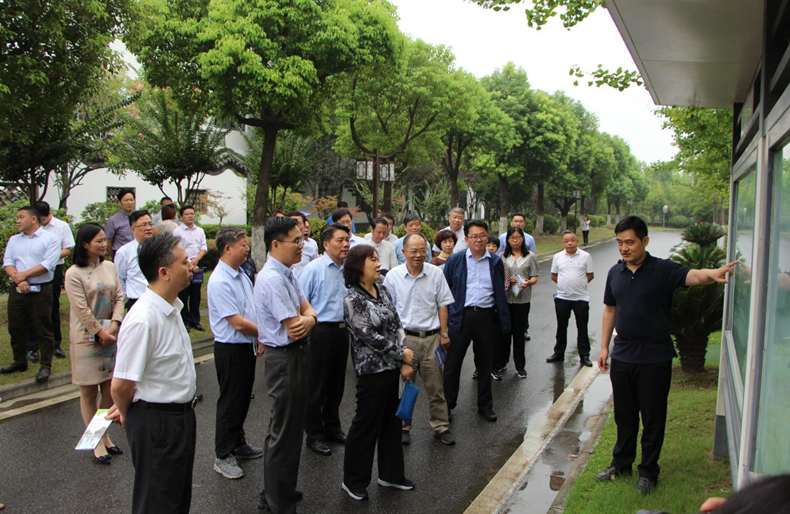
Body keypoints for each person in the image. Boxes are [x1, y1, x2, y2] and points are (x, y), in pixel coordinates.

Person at [595, 216, 736, 495]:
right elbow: (610, 309)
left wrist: (713, 273)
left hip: (654, 357)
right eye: (620, 242)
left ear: (645, 241)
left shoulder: (663, 270)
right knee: (624, 416)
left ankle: (648, 472)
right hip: (623, 355)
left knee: (653, 419)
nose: (624, 248)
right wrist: (604, 347)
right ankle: (621, 464)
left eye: (630, 242)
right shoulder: (615, 272)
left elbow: (693, 276)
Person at [107, 234, 197, 514]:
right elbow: (121, 385)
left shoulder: (172, 307)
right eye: (184, 262)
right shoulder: (143, 318)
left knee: (176, 497)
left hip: (180, 418)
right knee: (157, 501)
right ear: (164, 272)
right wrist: (129, 413)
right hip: (157, 423)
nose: (191, 266)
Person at [253, 217, 318, 514]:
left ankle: (280, 490)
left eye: (302, 240)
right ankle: (277, 502)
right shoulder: (272, 279)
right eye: (296, 241)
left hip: (295, 356)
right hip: (284, 358)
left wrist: (310, 319)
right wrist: (309, 319)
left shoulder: (287, 273)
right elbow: (295, 328)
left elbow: (307, 310)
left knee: (289, 429)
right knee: (283, 432)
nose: (301, 246)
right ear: (275, 244)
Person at [341, 244, 416, 501]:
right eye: (372, 260)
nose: (378, 263)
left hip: (393, 367)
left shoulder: (382, 289)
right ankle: (353, 480)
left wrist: (404, 357)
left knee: (392, 423)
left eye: (376, 258)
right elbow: (368, 335)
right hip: (371, 371)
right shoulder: (353, 298)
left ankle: (391, 475)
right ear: (358, 267)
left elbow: (397, 323)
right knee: (366, 424)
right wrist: (401, 354)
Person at [384, 234, 455, 446]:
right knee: (404, 386)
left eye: (422, 250)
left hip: (432, 338)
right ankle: (403, 426)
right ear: (403, 252)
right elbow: (389, 312)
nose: (418, 255)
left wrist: (444, 334)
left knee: (436, 386)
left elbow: (443, 305)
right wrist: (395, 344)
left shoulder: (435, 273)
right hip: (405, 339)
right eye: (413, 251)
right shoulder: (393, 276)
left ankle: (441, 426)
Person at [64, 223, 125, 464]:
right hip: (86, 341)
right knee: (89, 392)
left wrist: (114, 326)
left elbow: (119, 296)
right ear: (85, 244)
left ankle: (103, 434)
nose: (103, 244)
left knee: (109, 390)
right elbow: (81, 309)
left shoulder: (109, 266)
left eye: (104, 240)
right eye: (98, 240)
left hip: (110, 335)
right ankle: (95, 441)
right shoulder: (73, 273)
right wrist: (99, 332)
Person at [208, 227, 263, 480]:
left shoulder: (241, 273)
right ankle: (222, 455)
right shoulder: (220, 280)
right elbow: (238, 323)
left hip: (245, 345)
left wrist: (257, 337)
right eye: (243, 244)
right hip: (230, 348)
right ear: (228, 248)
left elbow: (251, 310)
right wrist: (264, 334)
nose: (247, 248)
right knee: (230, 401)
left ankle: (238, 443)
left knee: (241, 399)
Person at [442, 220, 510, 422]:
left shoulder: (495, 262)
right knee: (453, 364)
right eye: (474, 236)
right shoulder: (455, 260)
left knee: (485, 364)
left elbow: (500, 291)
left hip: (486, 317)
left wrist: (503, 321)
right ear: (466, 239)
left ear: (487, 237)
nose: (479, 240)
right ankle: (447, 405)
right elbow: (445, 290)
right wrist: (444, 326)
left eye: (482, 235)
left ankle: (485, 406)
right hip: (460, 317)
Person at [298, 223, 351, 457]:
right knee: (316, 385)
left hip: (342, 331)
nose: (346, 244)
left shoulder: (349, 269)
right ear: (326, 244)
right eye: (340, 240)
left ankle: (333, 428)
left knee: (336, 385)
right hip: (320, 332)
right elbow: (300, 303)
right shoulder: (313, 269)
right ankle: (314, 434)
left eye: (347, 240)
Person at [1, 205, 61, 382]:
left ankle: (45, 365)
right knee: (15, 327)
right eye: (17, 218)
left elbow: (48, 264)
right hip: (18, 289)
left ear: (33, 219)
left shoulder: (50, 239)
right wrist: (19, 280)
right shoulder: (14, 240)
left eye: (21, 217)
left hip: (41, 289)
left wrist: (24, 275)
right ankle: (19, 361)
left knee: (43, 327)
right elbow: (8, 262)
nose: (17, 221)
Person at [26, 201, 74, 362]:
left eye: (42, 219)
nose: (40, 222)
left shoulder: (61, 226)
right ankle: (32, 347)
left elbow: (67, 249)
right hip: (33, 271)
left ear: (48, 214)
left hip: (54, 270)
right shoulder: (31, 228)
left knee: (52, 307)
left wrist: (49, 257)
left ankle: (55, 345)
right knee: (32, 308)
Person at [494, 227, 539, 380]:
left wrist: (528, 282)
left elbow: (534, 276)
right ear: (507, 239)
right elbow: (497, 276)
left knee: (519, 334)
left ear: (523, 239)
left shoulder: (530, 256)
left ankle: (520, 366)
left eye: (518, 237)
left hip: (522, 300)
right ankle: (502, 362)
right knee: (504, 333)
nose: (515, 240)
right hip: (505, 300)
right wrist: (508, 280)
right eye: (512, 237)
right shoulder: (501, 256)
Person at [547, 230, 594, 367]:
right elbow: (554, 275)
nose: (570, 243)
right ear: (563, 242)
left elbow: (590, 275)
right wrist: (564, 286)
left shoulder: (586, 256)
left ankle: (584, 355)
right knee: (561, 327)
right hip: (562, 298)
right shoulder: (557, 257)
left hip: (581, 298)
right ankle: (559, 353)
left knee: (582, 328)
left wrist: (579, 285)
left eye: (572, 240)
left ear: (577, 241)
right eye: (566, 241)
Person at [173, 205, 207, 331]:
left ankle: (195, 321)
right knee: (183, 294)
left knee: (196, 294)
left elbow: (204, 247)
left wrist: (196, 260)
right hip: (183, 265)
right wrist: (189, 263)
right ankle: (185, 321)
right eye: (187, 214)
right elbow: (177, 249)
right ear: (181, 217)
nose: (190, 216)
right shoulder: (177, 232)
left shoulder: (200, 231)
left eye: (192, 213)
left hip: (197, 265)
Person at [115, 210, 155, 311]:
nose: (148, 228)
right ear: (133, 229)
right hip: (136, 301)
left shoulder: (158, 249)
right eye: (144, 225)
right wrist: (125, 301)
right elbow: (119, 279)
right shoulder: (124, 252)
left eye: (150, 224)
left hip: (157, 300)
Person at [105, 188, 136, 256]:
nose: (129, 203)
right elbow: (108, 242)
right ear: (119, 203)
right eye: (126, 200)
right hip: (121, 254)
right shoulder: (113, 220)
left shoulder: (138, 217)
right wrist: (114, 257)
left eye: (131, 200)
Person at [288, 211, 319, 276]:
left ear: (304, 225)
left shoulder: (311, 246)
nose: (295, 226)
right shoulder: (281, 245)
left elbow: (316, 267)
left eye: (298, 223)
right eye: (292, 223)